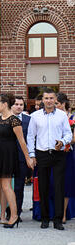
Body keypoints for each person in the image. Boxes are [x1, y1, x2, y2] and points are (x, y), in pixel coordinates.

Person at [27, 88, 72, 230]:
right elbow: (30, 136)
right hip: (42, 153)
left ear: (55, 99)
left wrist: (63, 142)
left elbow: (68, 134)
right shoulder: (35, 116)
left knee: (59, 187)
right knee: (43, 187)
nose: (49, 101)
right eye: (46, 98)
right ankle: (45, 218)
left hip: (58, 153)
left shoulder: (62, 115)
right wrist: (32, 155)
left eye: (51, 98)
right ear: (42, 100)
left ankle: (58, 220)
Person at [0, 93, 33, 228]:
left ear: (5, 104)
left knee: (6, 186)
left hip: (8, 154)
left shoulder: (14, 120)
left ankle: (14, 216)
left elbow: (22, 141)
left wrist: (28, 157)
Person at [54, 92, 75, 223]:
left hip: (67, 153)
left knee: (66, 183)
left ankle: (63, 213)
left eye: (56, 103)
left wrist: (63, 141)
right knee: (54, 183)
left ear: (63, 104)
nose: (54, 105)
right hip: (54, 153)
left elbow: (73, 138)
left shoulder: (72, 118)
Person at [11, 96, 31, 220]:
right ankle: (7, 211)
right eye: (16, 104)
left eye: (21, 104)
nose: (19, 106)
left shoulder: (28, 120)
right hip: (7, 157)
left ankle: (17, 213)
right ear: (11, 106)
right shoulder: (5, 119)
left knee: (19, 186)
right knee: (7, 186)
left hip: (22, 157)